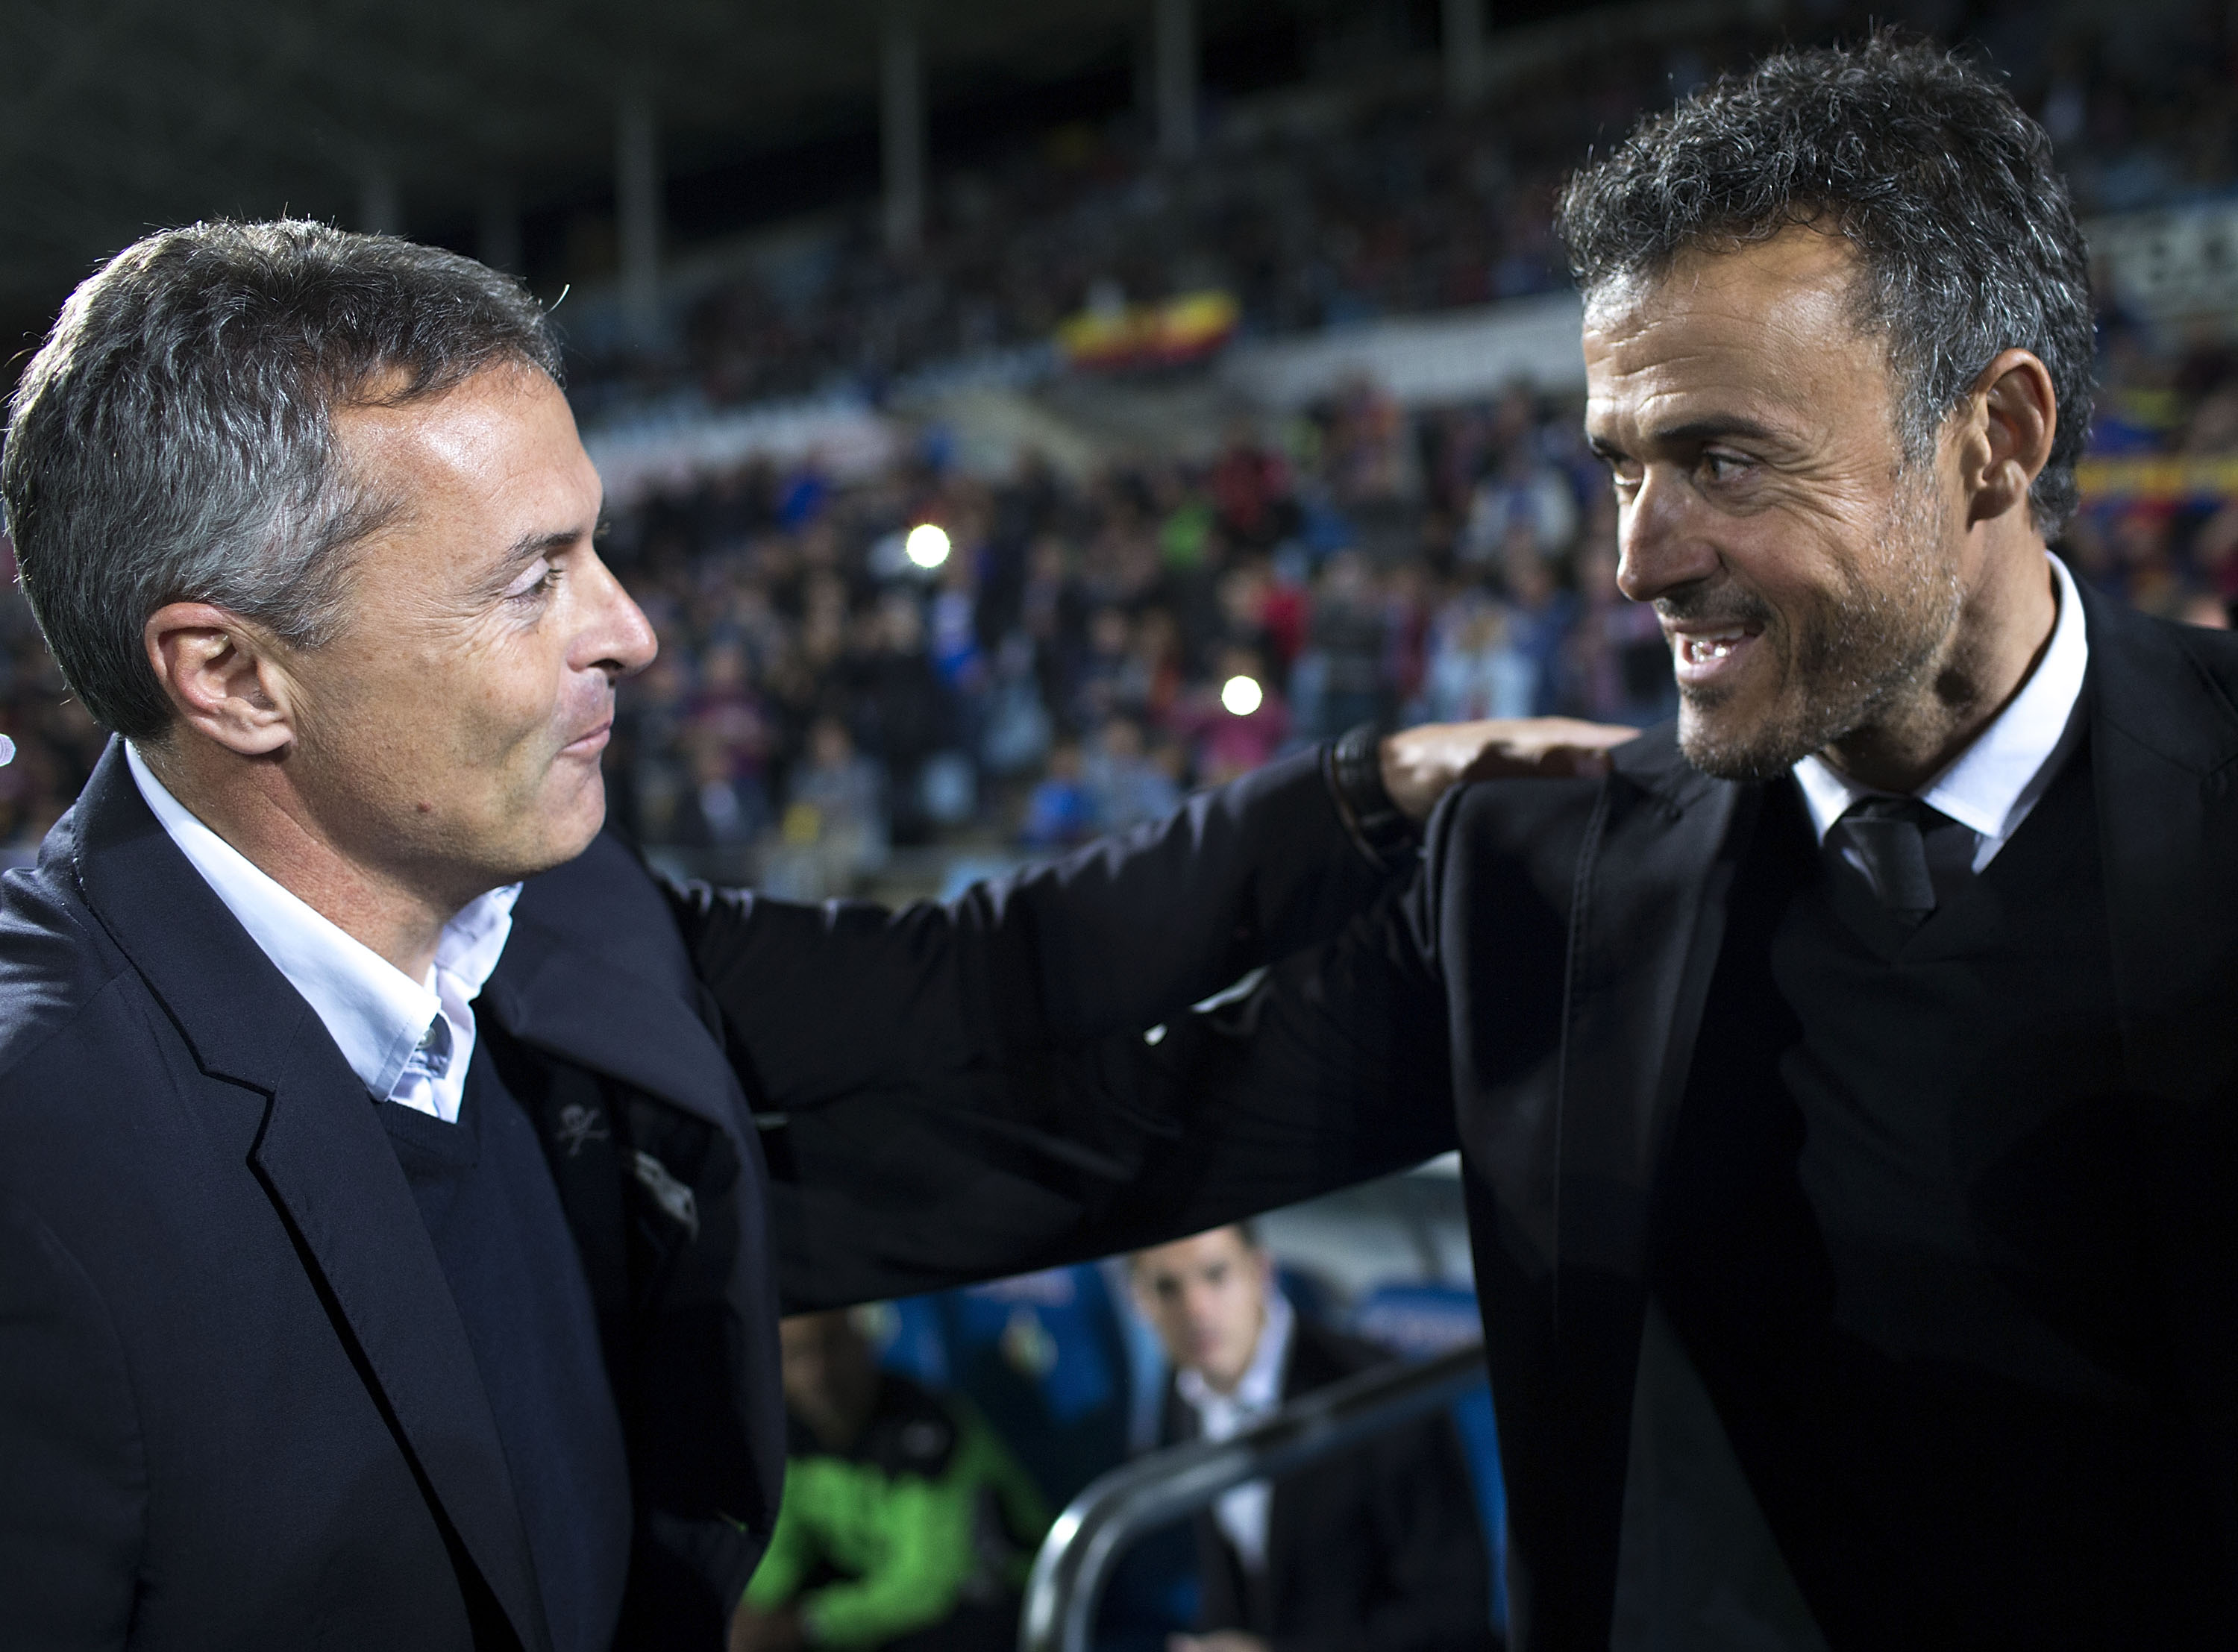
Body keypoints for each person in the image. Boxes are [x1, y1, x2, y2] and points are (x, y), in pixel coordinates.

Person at [0, 220, 1626, 1649]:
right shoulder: (45, 1167)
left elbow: (983, 983)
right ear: (231, 675)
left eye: (597, 546)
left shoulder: (549, 914)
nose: (627, 628)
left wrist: (1371, 801)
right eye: (530, 580)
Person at [1107, 37, 2238, 1649]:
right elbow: (1110, 1136)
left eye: (1720, 457)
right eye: (1621, 466)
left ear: (1997, 434)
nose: (1635, 559)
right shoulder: (1540, 880)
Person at [1128, 1227, 1493, 1652]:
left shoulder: (1378, 1397)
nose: (1196, 1309)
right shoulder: (1186, 1388)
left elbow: (1452, 1614)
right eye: (1167, 1287)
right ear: (1141, 1302)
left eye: (1216, 1274)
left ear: (1261, 1272)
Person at [732, 1313, 1047, 1652]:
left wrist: (806, 1623)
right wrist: (748, 1618)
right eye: (796, 1355)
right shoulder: (788, 1444)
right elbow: (776, 1561)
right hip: (885, 1601)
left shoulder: (929, 1432)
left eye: (831, 1345)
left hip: (1002, 1600)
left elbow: (930, 1584)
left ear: (863, 1343)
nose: (819, 1372)